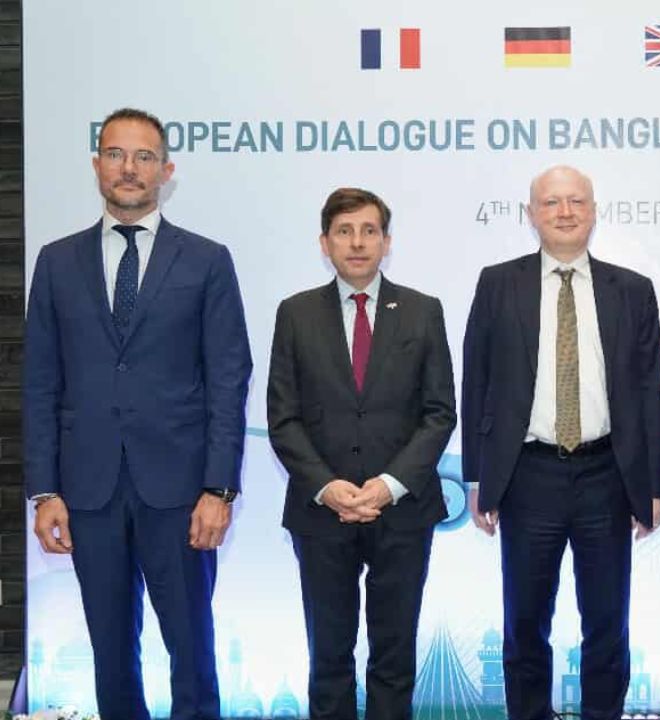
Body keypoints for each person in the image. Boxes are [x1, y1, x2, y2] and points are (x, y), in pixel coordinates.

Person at [23, 107, 252, 720]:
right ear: (97, 164)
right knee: (110, 651)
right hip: (87, 490)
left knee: (192, 648)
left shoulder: (206, 260)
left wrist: (219, 488)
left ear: (166, 171)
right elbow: (40, 381)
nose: (129, 168)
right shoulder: (56, 262)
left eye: (144, 156)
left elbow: (228, 379)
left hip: (181, 491)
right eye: (116, 154)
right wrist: (44, 491)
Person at [461, 165, 660, 720]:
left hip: (607, 475)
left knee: (608, 622)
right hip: (528, 475)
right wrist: (478, 478)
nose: (565, 212)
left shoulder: (633, 290)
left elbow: (650, 391)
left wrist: (652, 486)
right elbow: (476, 381)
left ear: (594, 211)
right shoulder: (498, 283)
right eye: (552, 202)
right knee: (525, 622)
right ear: (531, 214)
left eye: (576, 201)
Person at [266, 187, 456, 720]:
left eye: (369, 231)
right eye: (344, 231)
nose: (357, 243)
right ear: (324, 243)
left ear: (386, 242)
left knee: (394, 655)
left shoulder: (422, 311)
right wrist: (327, 487)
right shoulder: (296, 313)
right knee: (329, 656)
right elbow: (283, 417)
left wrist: (389, 485)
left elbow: (439, 412)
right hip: (321, 512)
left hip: (403, 510)